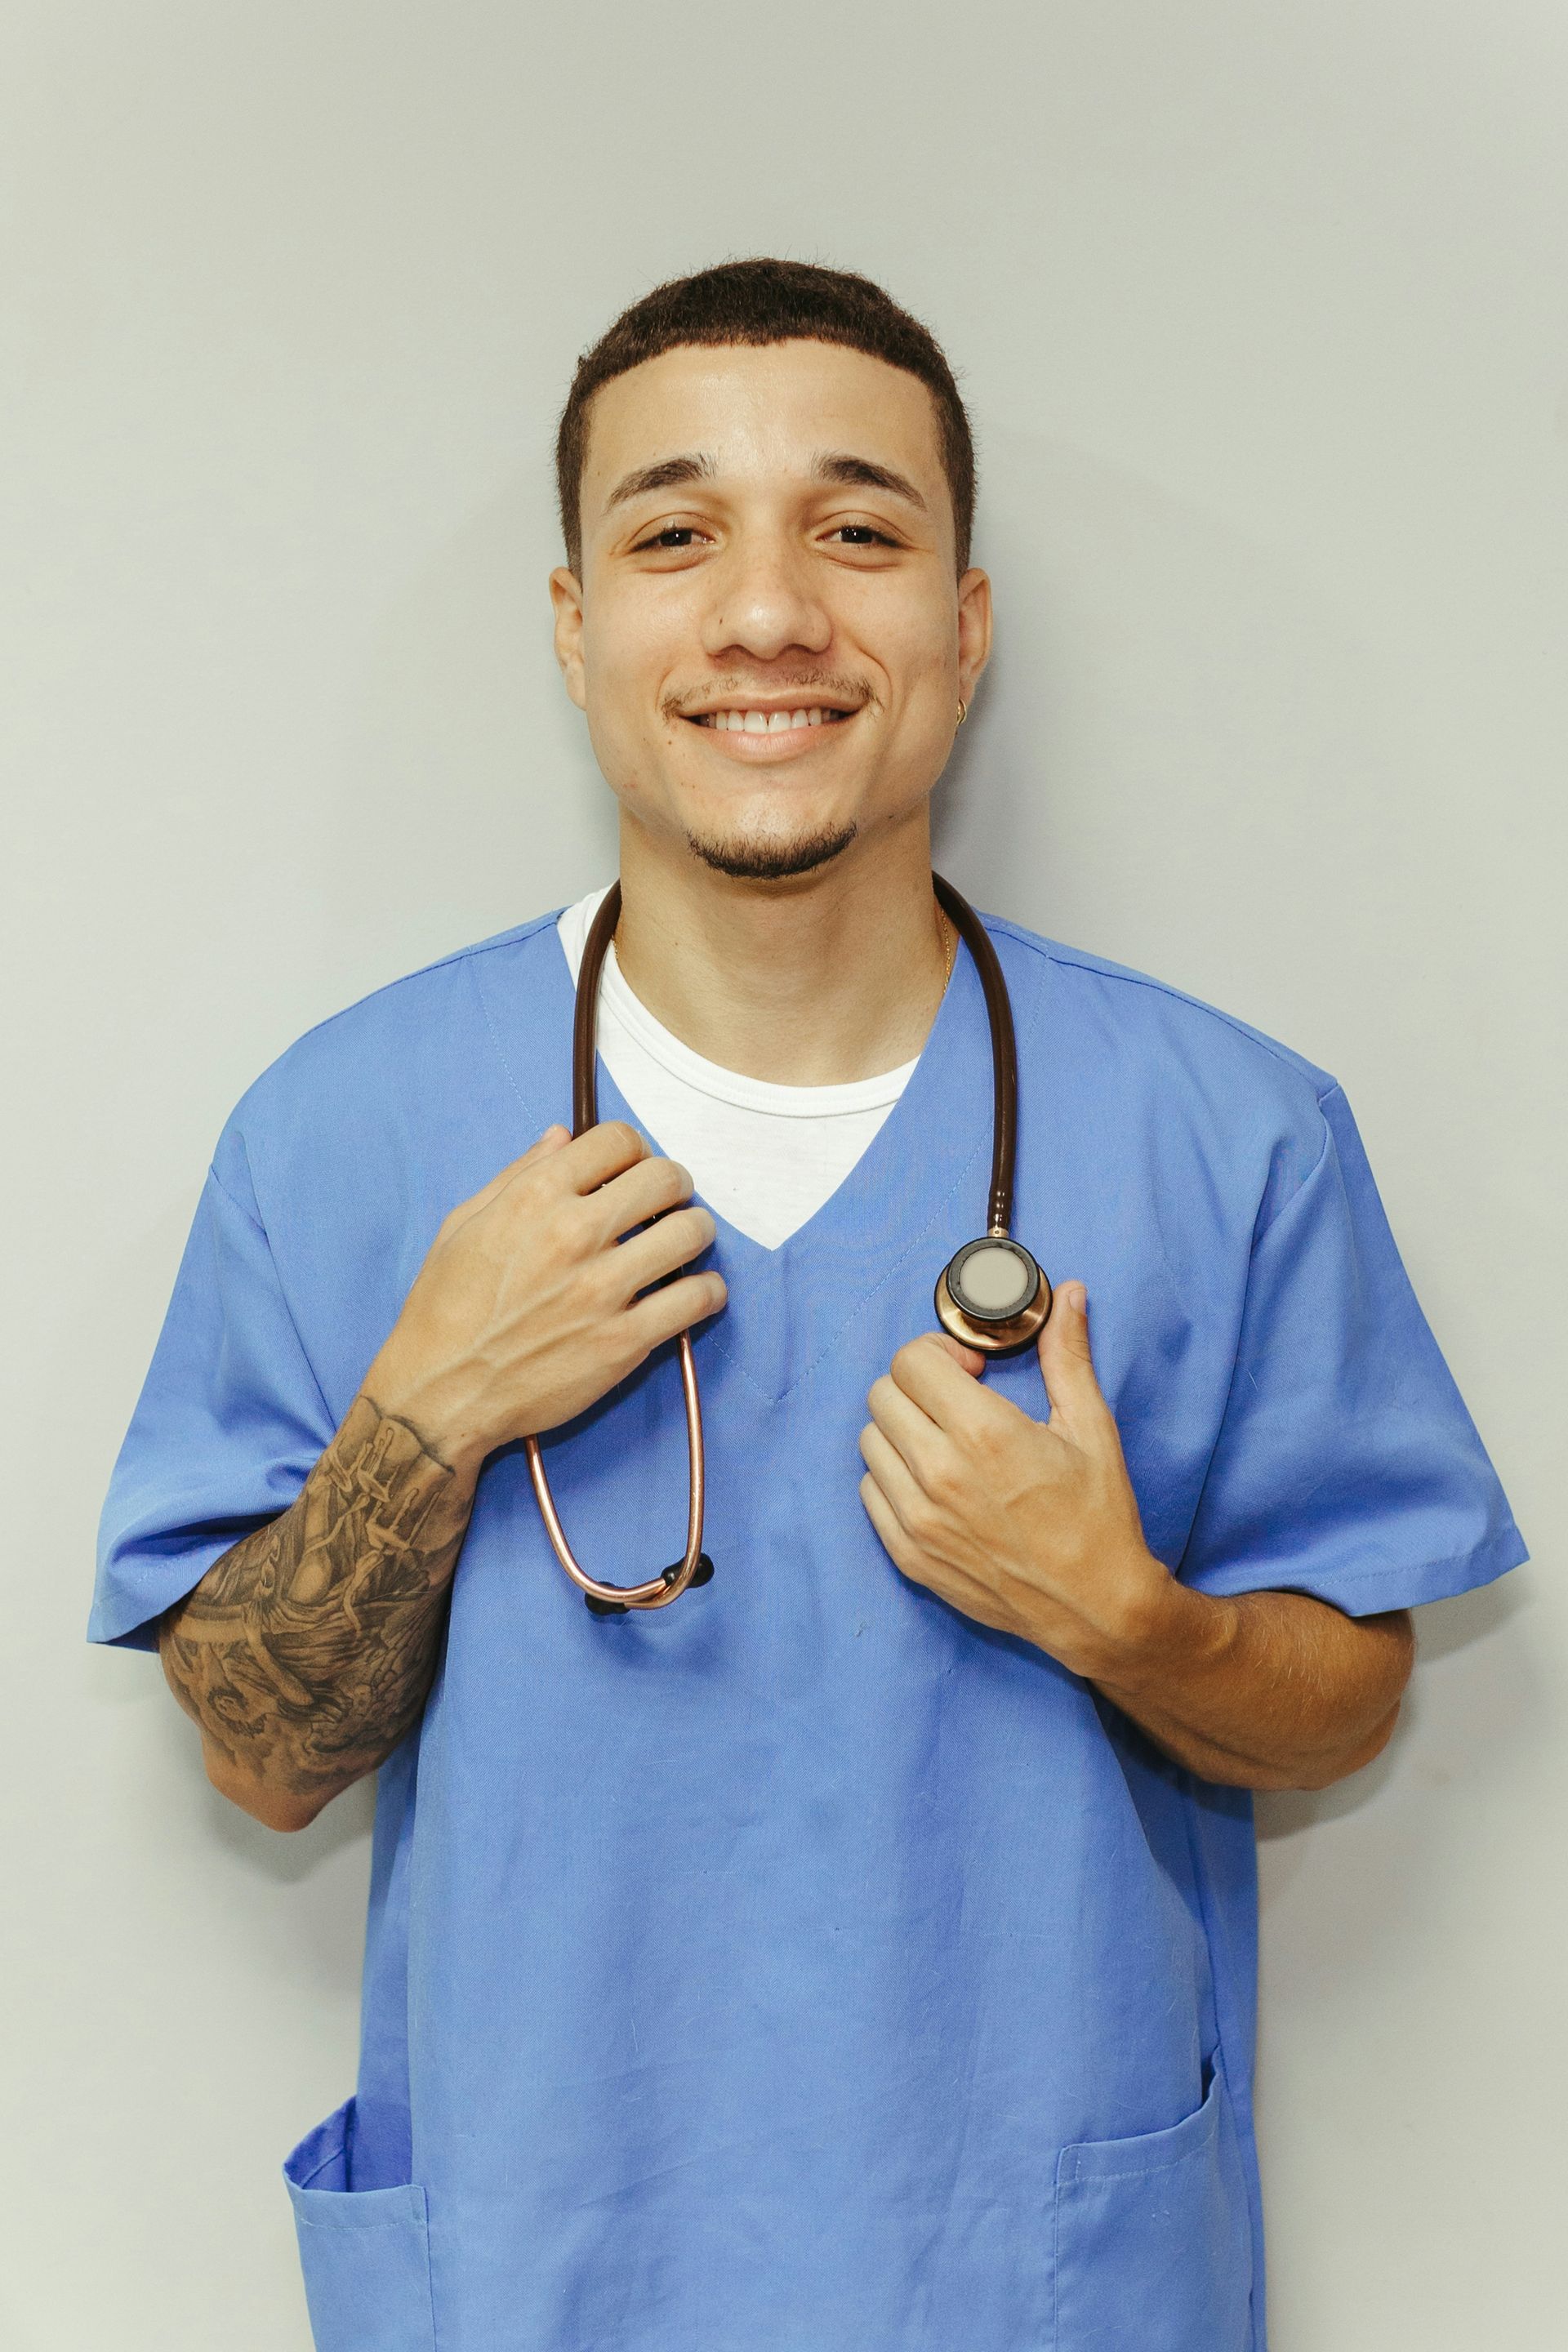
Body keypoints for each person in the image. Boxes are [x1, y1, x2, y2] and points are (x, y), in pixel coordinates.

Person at [91, 258, 1525, 2352]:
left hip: (1026, 2280)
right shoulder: (344, 1133)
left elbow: (1357, 1694)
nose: (770, 610)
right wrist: (429, 1411)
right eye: (674, 535)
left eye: (858, 528)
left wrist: (1123, 1613)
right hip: (545, 2265)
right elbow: (256, 1758)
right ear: (579, 628)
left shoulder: (1229, 1135)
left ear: (966, 620)